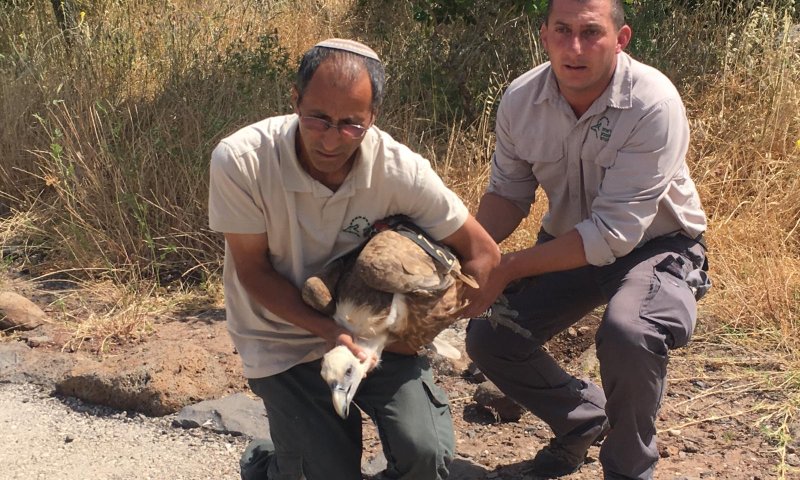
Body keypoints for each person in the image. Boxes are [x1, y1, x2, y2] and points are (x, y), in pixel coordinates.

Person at [208, 38, 500, 480]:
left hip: (375, 332)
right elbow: (252, 270)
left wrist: (413, 331)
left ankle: (300, 457)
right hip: (279, 334)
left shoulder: (399, 170)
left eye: (350, 125)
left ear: (373, 118)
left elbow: (484, 254)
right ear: (295, 101)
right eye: (318, 119)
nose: (330, 139)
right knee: (325, 473)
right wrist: (329, 331)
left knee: (426, 456)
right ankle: (272, 465)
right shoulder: (243, 160)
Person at [462, 1, 712, 479]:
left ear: (621, 39)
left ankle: (627, 468)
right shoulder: (520, 98)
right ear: (544, 35)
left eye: (591, 33)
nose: (574, 47)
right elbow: (509, 194)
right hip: (570, 240)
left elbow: (615, 233)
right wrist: (468, 254)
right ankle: (581, 421)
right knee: (492, 337)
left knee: (629, 332)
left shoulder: (652, 102)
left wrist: (508, 268)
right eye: (562, 30)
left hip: (656, 245)